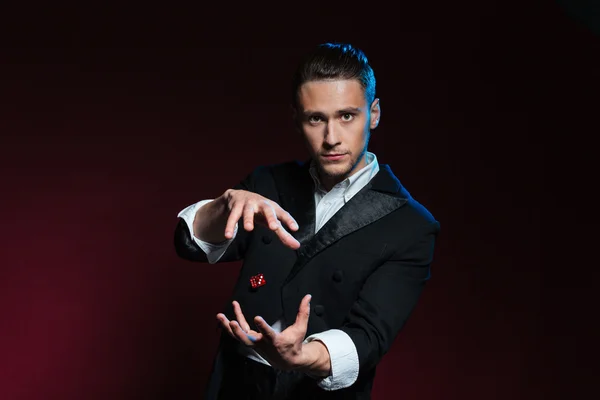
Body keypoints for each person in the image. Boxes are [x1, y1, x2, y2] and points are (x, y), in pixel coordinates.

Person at [173, 42, 440, 400]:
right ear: (297, 119)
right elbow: (188, 245)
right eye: (317, 118)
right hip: (234, 386)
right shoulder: (267, 184)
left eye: (347, 116)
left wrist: (300, 356)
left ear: (373, 114)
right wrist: (225, 203)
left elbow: (369, 337)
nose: (331, 138)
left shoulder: (410, 225)